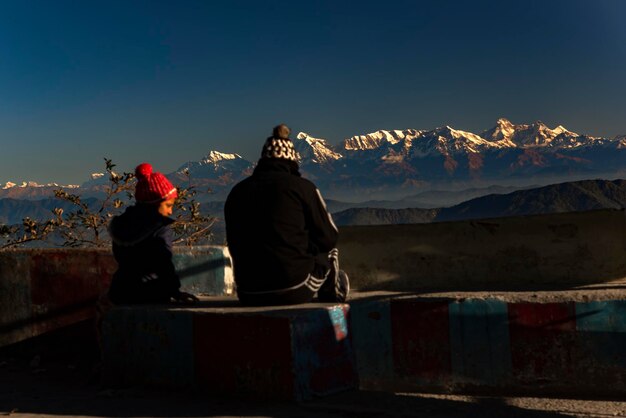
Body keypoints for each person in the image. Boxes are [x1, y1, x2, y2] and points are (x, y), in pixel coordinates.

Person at [224, 124, 349, 306]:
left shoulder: (237, 191)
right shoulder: (303, 187)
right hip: (294, 289)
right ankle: (332, 290)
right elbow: (328, 236)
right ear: (292, 161)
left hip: (248, 292)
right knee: (330, 252)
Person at [107, 163, 198, 304]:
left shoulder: (121, 225)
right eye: (168, 205)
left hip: (120, 291)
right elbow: (164, 264)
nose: (170, 211)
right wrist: (174, 291)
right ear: (155, 204)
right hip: (151, 292)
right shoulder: (159, 228)